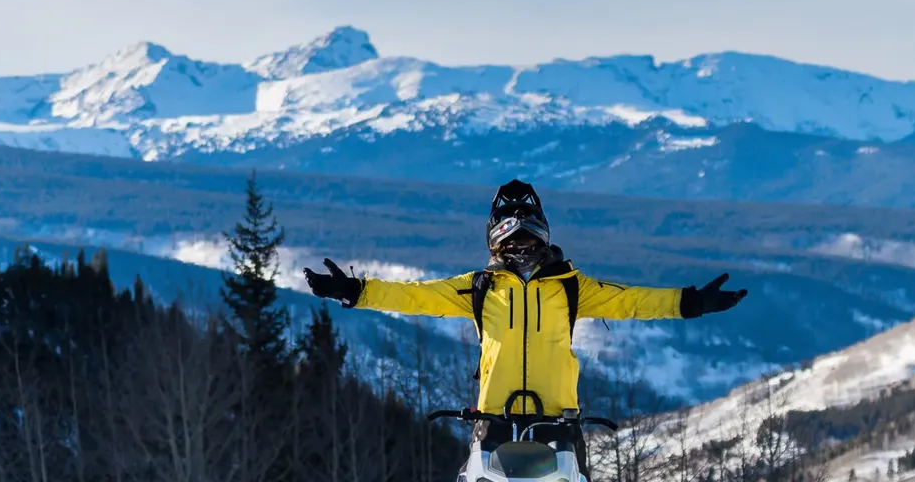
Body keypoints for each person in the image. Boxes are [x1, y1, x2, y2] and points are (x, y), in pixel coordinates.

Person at [304, 179, 745, 418]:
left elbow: (630, 301)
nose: (521, 242)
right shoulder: (478, 288)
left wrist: (691, 302)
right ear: (496, 240)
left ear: (543, 233)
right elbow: (414, 297)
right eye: (511, 232)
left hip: (560, 419)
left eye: (527, 230)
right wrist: (354, 290)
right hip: (492, 419)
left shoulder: (572, 287)